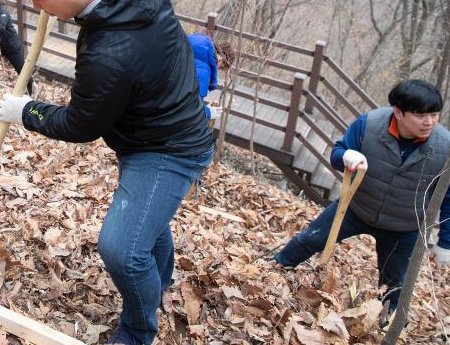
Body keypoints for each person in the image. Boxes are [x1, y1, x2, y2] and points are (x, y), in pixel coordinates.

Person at [0, 0, 213, 345]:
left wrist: (26, 111)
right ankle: (158, 284)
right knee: (147, 225)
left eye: (41, 0)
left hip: (168, 147)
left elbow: (81, 124)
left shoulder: (109, 54)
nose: (41, 10)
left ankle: (137, 331)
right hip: (155, 119)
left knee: (122, 250)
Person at [274, 79, 450, 319]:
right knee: (309, 239)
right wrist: (347, 156)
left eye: (434, 114)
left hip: (404, 226)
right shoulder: (370, 124)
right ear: (398, 112)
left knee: (394, 282)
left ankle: (385, 322)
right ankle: (276, 268)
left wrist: (445, 242)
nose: (429, 122)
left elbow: (448, 196)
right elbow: (337, 153)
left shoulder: (444, 147)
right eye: (420, 115)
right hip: (355, 208)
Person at [187, 33, 233, 121]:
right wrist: (208, 113)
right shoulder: (204, 70)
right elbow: (190, 107)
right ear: (221, 59)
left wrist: (202, 106)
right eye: (220, 67)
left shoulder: (191, 41)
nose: (217, 68)